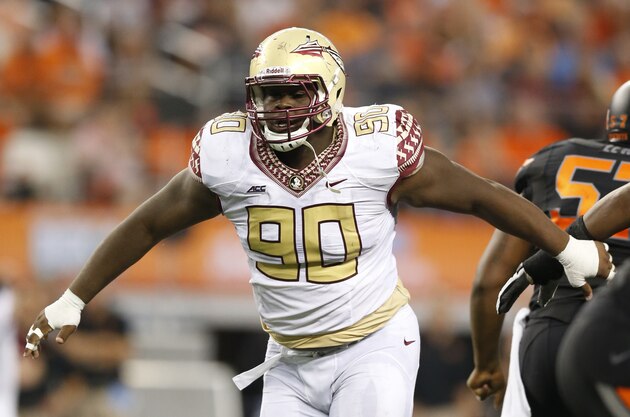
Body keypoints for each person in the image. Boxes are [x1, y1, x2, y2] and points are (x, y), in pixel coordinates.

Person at [22, 27, 613, 417]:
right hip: (289, 358)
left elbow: (483, 197)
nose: (277, 107)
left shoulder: (375, 147)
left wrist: (566, 248)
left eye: (293, 92)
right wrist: (76, 297)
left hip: (373, 344)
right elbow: (149, 224)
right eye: (267, 94)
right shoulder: (229, 155)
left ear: (330, 90)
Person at [467, 80, 630, 417]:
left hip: (548, 335)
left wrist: (486, 366)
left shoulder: (556, 159)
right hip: (617, 344)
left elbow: (489, 281)